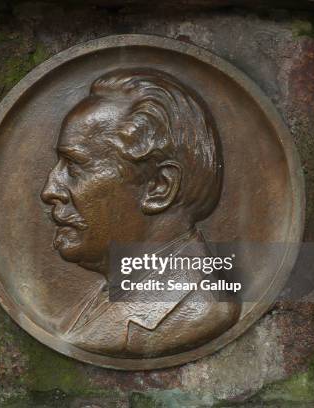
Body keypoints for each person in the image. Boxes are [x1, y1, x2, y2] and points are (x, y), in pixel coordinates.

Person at [40, 68, 240, 357]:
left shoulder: (197, 308)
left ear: (160, 187)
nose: (49, 190)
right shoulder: (111, 292)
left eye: (74, 167)